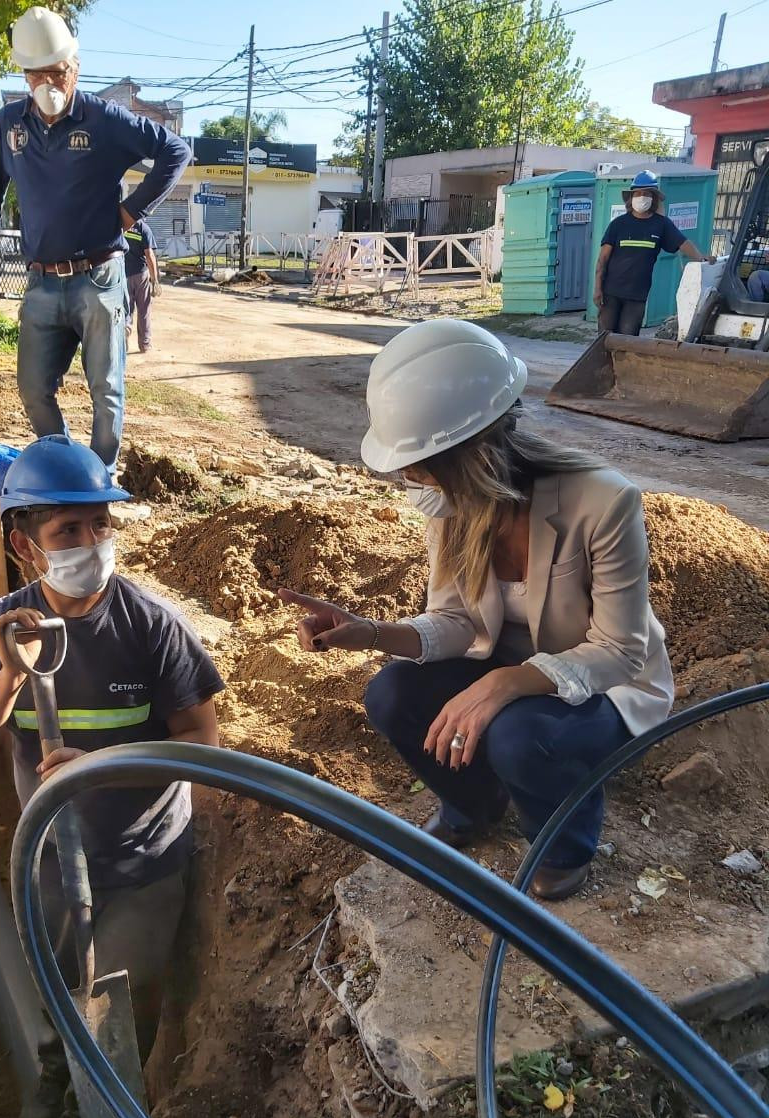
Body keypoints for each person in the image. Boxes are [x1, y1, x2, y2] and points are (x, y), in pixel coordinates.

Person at [280, 319, 674, 902]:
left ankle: (563, 843)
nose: (409, 478)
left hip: (606, 686)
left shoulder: (604, 501)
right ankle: (474, 803)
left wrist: (505, 684)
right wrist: (374, 633)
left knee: (518, 735)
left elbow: (619, 650)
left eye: (419, 465)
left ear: (471, 454)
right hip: (510, 672)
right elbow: (456, 621)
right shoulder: (450, 504)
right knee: (390, 694)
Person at [0, 434, 224, 1118]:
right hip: (49, 865)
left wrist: (107, 762)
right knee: (54, 999)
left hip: (142, 862)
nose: (92, 541)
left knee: (119, 1012)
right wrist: (10, 674)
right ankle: (50, 1107)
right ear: (26, 545)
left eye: (102, 524)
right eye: (69, 529)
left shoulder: (153, 627)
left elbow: (204, 743)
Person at [0, 6, 190, 475]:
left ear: (74, 68)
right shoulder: (9, 127)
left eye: (57, 73)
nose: (48, 85)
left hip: (98, 279)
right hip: (40, 284)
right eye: (37, 75)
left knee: (107, 393)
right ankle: (67, 470)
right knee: (33, 389)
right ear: (25, 74)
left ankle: (97, 483)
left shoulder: (104, 119)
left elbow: (175, 152)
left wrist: (131, 210)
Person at [594, 170, 715, 336]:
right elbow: (602, 259)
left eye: (646, 193)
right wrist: (597, 288)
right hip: (610, 293)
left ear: (654, 198)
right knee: (604, 340)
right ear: (631, 197)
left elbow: (683, 243)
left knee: (628, 340)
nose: (641, 197)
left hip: (637, 296)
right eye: (638, 193)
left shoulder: (662, 225)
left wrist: (701, 257)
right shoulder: (618, 224)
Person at [124, 216, 161, 354]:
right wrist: (155, 279)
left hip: (124, 274)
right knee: (144, 309)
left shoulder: (122, 228)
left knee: (125, 307)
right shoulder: (143, 229)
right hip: (141, 275)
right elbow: (149, 254)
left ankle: (126, 327)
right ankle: (145, 344)